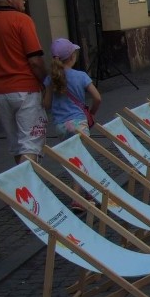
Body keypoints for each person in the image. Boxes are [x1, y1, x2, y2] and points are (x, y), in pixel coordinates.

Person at [43, 38, 101, 210]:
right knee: (82, 158)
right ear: (72, 56)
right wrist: (91, 113)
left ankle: (89, 190)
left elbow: (46, 104)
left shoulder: (50, 79)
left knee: (72, 158)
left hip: (61, 125)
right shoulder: (81, 76)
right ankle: (77, 197)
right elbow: (97, 98)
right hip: (79, 123)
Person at [0, 0, 47, 164]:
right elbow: (35, 61)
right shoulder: (21, 20)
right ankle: (30, 188)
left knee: (16, 145)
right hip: (25, 89)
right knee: (30, 144)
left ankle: (21, 185)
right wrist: (46, 81)